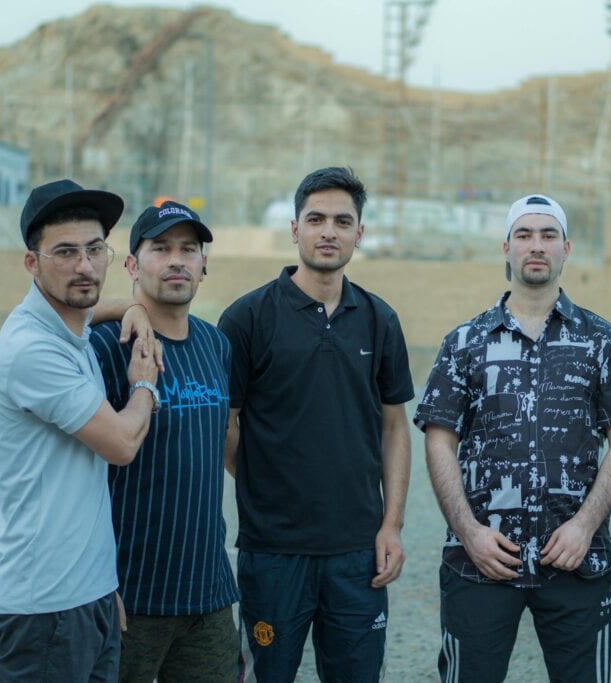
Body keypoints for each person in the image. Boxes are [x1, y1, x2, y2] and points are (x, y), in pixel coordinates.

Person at [413, 194, 611, 682]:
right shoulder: (464, 342)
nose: (535, 245)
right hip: (480, 560)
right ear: (506, 247)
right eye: (524, 235)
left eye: (547, 235)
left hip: (577, 559)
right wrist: (468, 531)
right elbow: (439, 440)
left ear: (566, 248)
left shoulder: (601, 341)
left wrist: (585, 526)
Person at [217, 167, 414, 681]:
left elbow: (395, 428)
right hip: (272, 554)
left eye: (342, 221)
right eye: (316, 218)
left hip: (358, 555)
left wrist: (390, 525)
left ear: (359, 234)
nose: (329, 231)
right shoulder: (247, 318)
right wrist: (266, 479)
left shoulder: (379, 319)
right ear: (295, 229)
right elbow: (227, 423)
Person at [0, 179, 160, 681]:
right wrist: (144, 384)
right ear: (31, 263)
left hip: (88, 596)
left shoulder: (66, 328)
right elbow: (123, 443)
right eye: (65, 252)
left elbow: (88, 306)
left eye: (94, 249)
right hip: (45, 608)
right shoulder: (33, 350)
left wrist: (131, 308)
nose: (84, 266)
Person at [90, 201, 241, 681]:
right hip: (129, 595)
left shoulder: (215, 344)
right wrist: (94, 580)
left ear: (203, 266)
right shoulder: (105, 346)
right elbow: (41, 323)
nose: (177, 260)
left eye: (188, 249)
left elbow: (226, 445)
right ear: (132, 265)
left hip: (208, 595)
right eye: (160, 248)